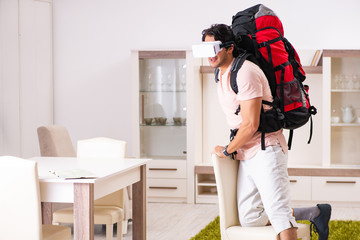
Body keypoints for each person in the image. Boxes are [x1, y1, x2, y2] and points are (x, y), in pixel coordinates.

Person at [202, 24, 331, 240]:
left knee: (279, 215)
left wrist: (227, 149)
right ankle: (315, 213)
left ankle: (299, 218)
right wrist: (235, 148)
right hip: (247, 152)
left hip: (266, 149)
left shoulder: (246, 72)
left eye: (215, 48)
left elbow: (251, 124)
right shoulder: (221, 73)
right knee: (251, 218)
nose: (210, 55)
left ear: (230, 47)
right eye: (205, 49)